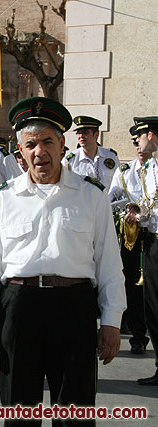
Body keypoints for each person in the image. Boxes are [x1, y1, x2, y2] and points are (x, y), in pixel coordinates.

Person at [0, 97, 126, 425]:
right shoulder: (3, 199)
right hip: (19, 307)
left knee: (75, 413)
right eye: (31, 144)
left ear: (62, 145)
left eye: (47, 142)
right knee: (19, 412)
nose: (40, 151)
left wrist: (112, 321)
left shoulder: (91, 196)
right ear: (20, 151)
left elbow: (110, 265)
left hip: (74, 308)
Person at [108, 125, 151, 355]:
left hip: (151, 233)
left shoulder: (154, 169)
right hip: (131, 234)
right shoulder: (125, 171)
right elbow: (112, 195)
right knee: (132, 284)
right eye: (134, 143)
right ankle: (137, 336)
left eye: (140, 142)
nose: (138, 148)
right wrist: (121, 206)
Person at [132, 116, 158, 385]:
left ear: (150, 135)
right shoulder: (148, 168)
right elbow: (148, 204)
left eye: (139, 137)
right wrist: (136, 213)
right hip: (152, 241)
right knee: (153, 306)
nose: (137, 143)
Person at [62, 116, 119, 191]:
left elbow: (118, 183)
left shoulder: (110, 155)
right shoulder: (70, 161)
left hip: (107, 201)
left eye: (85, 132)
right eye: (79, 133)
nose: (81, 136)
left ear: (96, 135)